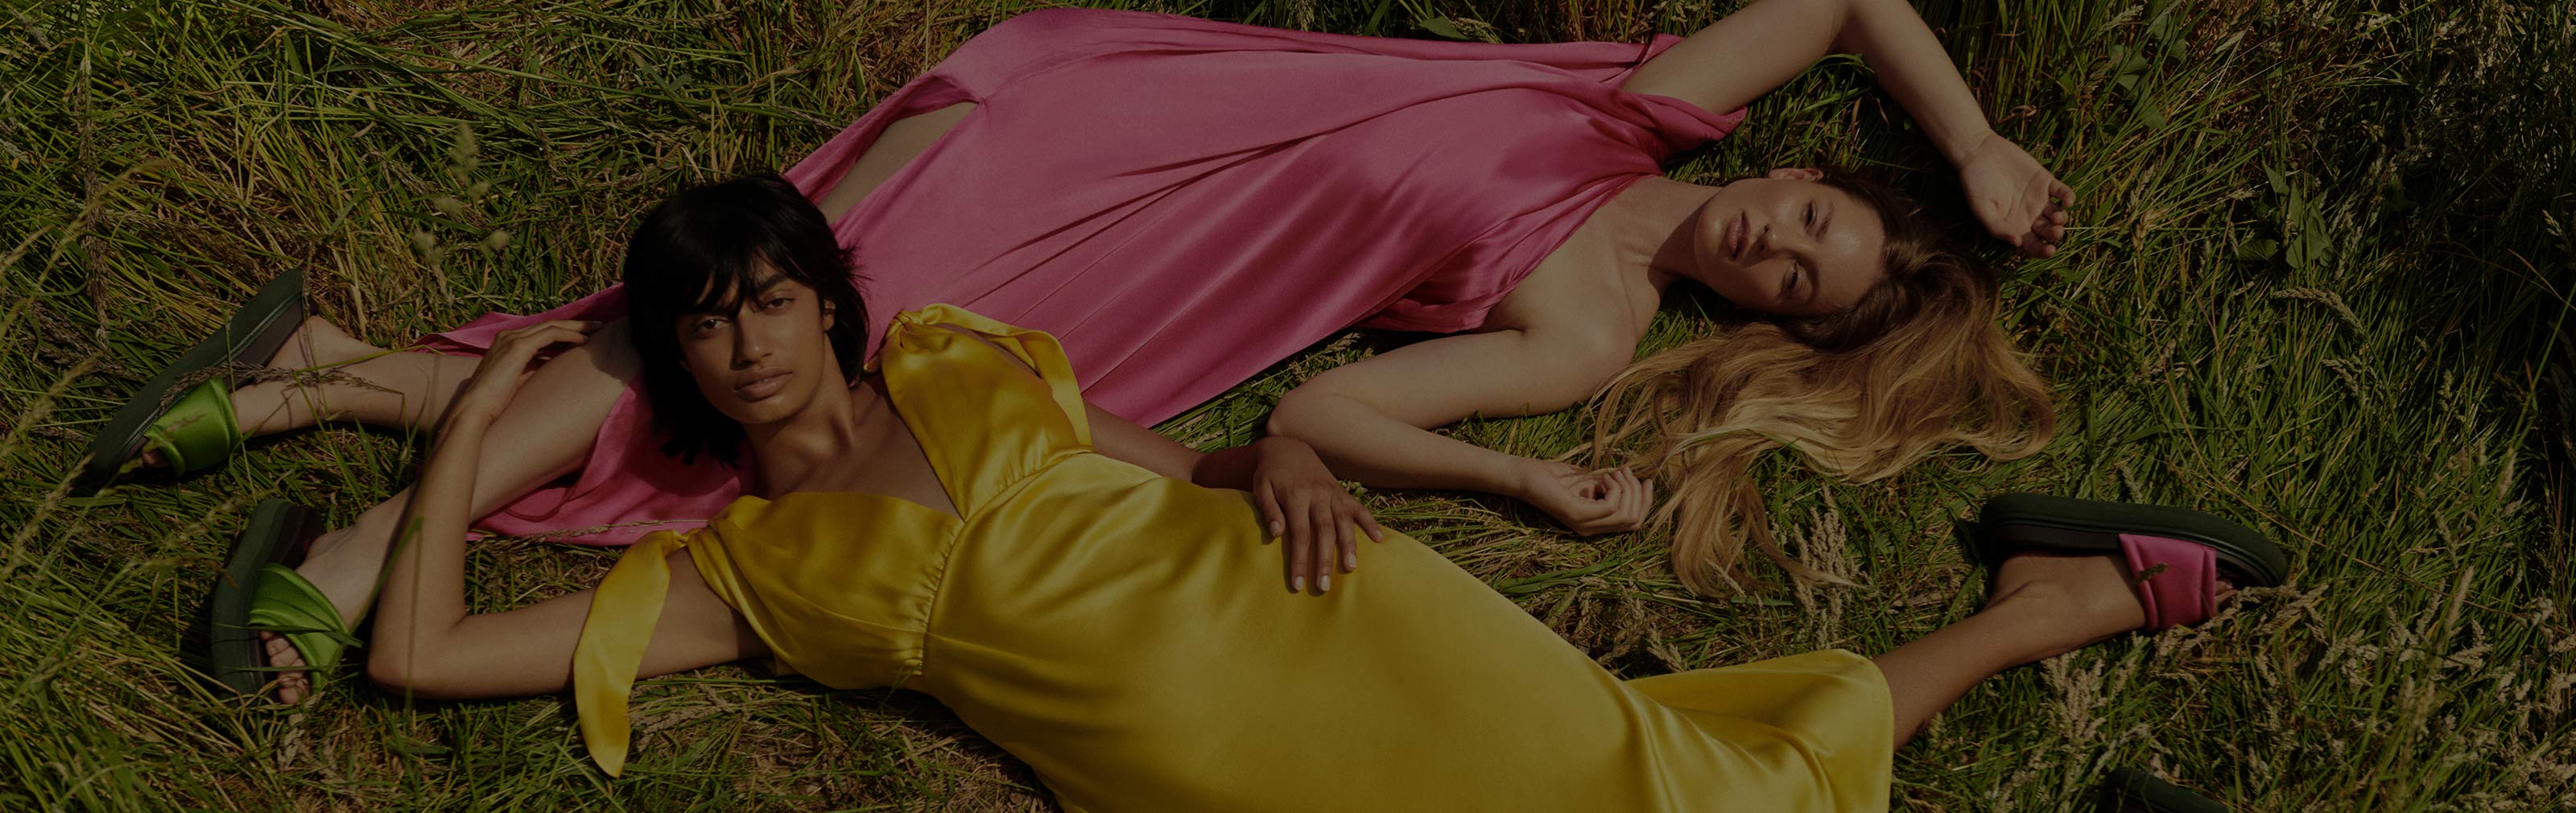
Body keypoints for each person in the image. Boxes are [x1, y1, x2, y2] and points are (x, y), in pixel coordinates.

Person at [89, 2, 2070, 696]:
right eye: (1812, 219)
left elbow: (1330, 404)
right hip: (1115, 117)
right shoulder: (1656, 104)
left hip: (1144, 282)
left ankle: (321, 431)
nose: (1778, 246)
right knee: (747, 320)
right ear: (1806, 176)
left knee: (738, 352)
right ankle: (328, 407)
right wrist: (1972, 142)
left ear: (1751, 326)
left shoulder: (1587, 317)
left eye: (1795, 287)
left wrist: (1505, 476)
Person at [354, 175, 2252, 813]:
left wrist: (1280, 455)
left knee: (1661, 793)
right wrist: (477, 423)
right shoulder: (746, 572)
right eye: (702, 323)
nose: (748, 341)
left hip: (1333, 613)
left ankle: (2043, 607)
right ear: (677, 363)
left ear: (828, 302)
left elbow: (1197, 458)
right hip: (1241, 779)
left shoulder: (958, 358)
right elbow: (423, 656)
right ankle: (2048, 605)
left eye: (770, 297)